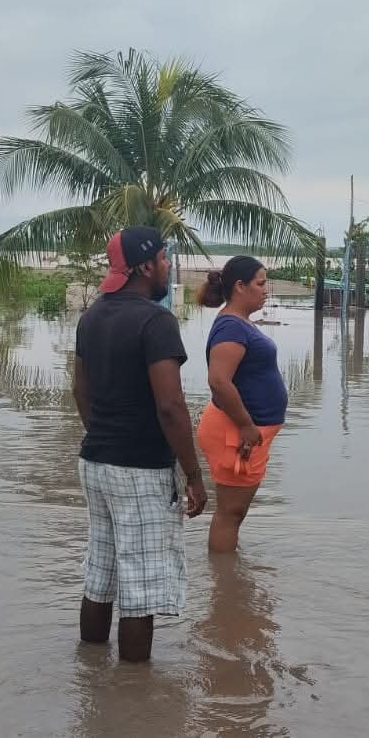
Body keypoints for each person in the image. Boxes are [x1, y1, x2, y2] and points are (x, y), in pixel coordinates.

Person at [71, 226, 208, 663]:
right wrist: (193, 473)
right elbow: (170, 405)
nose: (169, 266)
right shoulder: (156, 321)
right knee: (141, 586)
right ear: (146, 266)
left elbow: (80, 388)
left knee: (101, 570)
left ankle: (91, 673)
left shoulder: (92, 317)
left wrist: (104, 432)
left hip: (96, 460)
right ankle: (133, 697)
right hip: (141, 468)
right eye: (166, 259)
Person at [194, 256, 287, 553]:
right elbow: (219, 381)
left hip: (243, 431)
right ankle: (225, 587)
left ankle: (229, 580)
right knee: (230, 514)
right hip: (236, 433)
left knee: (234, 513)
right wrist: (247, 425)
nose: (265, 290)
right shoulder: (232, 328)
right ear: (239, 286)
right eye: (260, 284)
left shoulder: (239, 323)